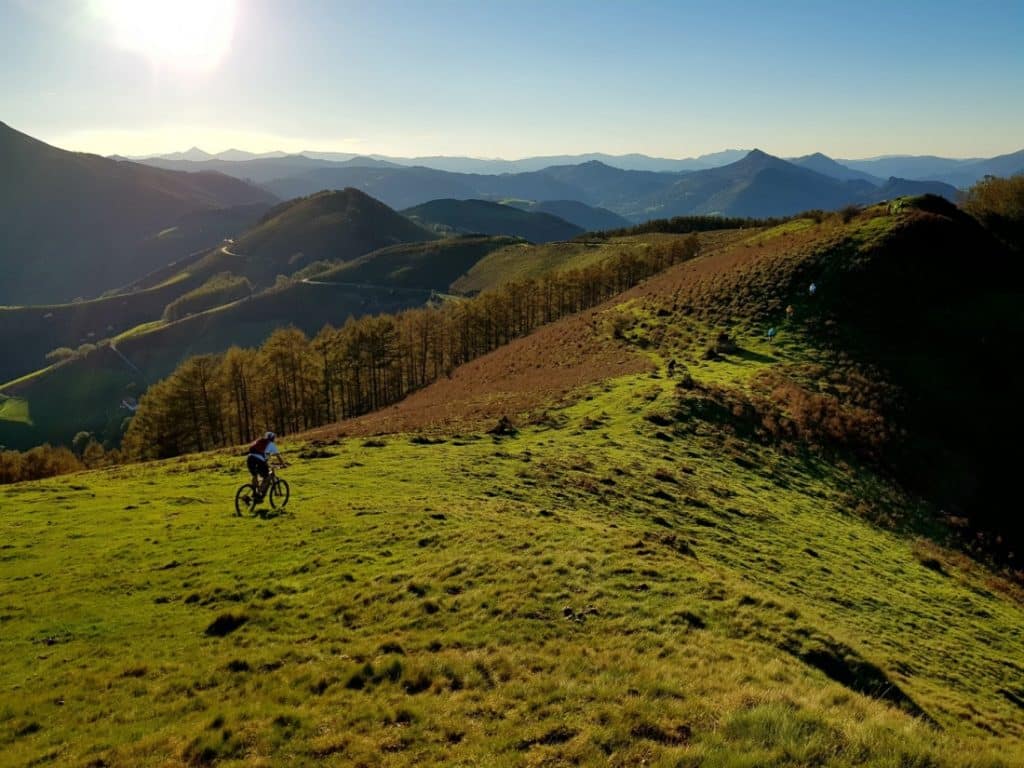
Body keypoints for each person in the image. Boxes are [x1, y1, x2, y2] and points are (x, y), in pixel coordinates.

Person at [246, 431, 286, 501]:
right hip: (258, 460)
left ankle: (254, 493)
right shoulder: (271, 444)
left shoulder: (260, 441)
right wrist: (283, 464)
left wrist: (267, 463)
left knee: (255, 475)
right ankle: (258, 495)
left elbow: (264, 456)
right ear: (272, 438)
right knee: (267, 477)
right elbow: (278, 456)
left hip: (250, 458)